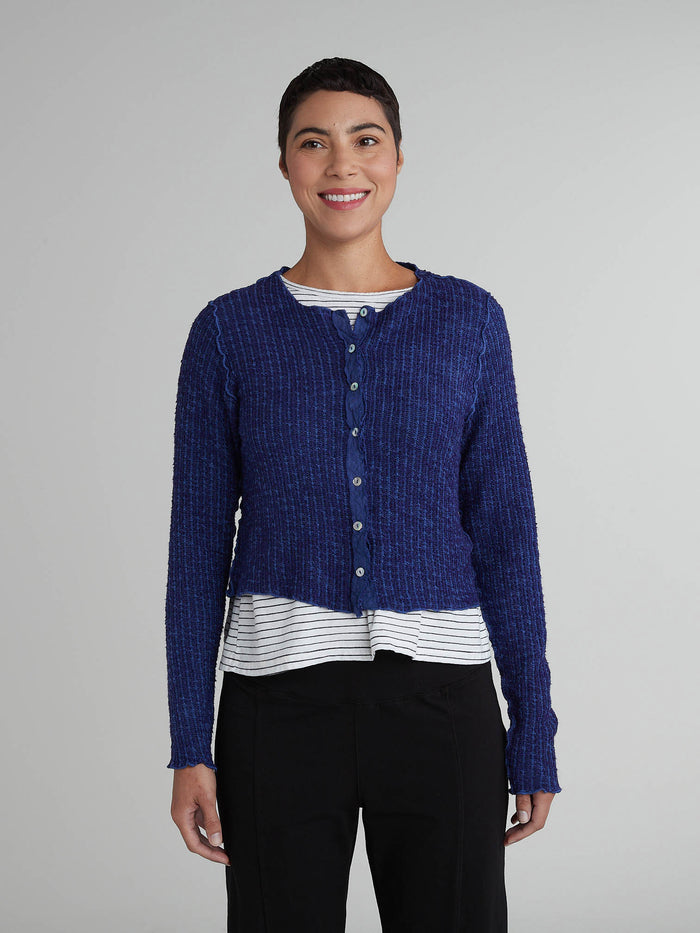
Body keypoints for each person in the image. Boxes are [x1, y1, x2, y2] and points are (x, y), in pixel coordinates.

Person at [166, 57, 562, 932]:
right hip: (276, 705)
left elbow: (505, 533)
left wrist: (533, 728)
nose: (342, 164)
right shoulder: (229, 331)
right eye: (314, 143)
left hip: (443, 703)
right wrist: (189, 742)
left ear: (398, 158)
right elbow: (196, 551)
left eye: (365, 139)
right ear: (284, 164)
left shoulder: (469, 321)